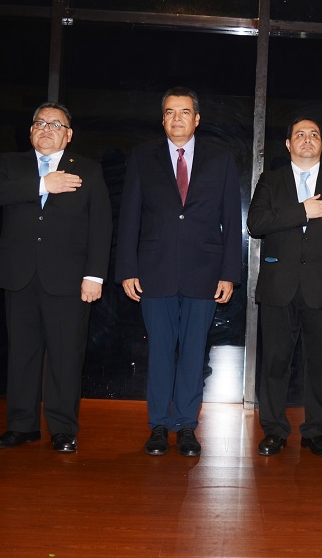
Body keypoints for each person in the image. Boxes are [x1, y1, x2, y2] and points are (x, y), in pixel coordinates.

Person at [116, 86, 242, 457]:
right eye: (170, 112)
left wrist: (229, 273)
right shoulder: (142, 157)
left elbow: (231, 219)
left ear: (197, 119)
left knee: (192, 353)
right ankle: (158, 426)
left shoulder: (220, 159)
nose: (177, 119)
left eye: (184, 112)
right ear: (162, 119)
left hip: (204, 272)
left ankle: (186, 425)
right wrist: (126, 268)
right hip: (153, 272)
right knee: (159, 351)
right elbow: (129, 218)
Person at [0, 103, 112, 453]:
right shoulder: (10, 164)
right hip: (18, 275)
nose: (46, 128)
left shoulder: (87, 169)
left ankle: (62, 428)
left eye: (56, 124)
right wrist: (43, 184)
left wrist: (94, 276)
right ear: (30, 131)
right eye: (40, 122)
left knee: (65, 356)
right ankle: (21, 426)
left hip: (69, 279)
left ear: (68, 135)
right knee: (21, 355)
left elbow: (100, 227)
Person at [247, 118, 322, 458]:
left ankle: (315, 432)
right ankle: (274, 431)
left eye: (314, 134)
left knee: (320, 365)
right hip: (278, 288)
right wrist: (303, 211)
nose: (307, 140)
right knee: (275, 364)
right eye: (300, 134)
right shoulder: (271, 180)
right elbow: (256, 224)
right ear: (288, 144)